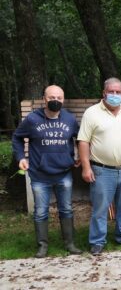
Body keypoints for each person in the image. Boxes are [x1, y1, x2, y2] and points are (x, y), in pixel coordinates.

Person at [79, 78, 121, 255]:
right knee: (100, 207)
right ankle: (97, 241)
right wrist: (86, 167)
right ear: (104, 93)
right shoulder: (91, 113)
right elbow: (83, 142)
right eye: (111, 92)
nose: (115, 95)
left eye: (118, 92)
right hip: (102, 170)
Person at [12, 85, 82, 258]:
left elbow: (81, 138)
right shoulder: (32, 119)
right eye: (52, 97)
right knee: (41, 211)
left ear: (63, 99)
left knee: (66, 209)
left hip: (64, 172)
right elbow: (17, 137)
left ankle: (70, 243)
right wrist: (21, 157)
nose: (55, 101)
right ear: (45, 99)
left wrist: (80, 154)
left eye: (59, 98)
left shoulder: (70, 119)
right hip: (39, 175)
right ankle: (42, 246)